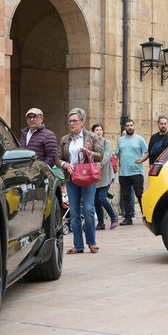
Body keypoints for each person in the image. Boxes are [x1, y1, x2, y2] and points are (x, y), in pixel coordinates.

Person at [57, 107, 102, 254]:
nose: (71, 123)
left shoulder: (91, 137)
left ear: (82, 122)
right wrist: (65, 164)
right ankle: (78, 245)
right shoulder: (64, 139)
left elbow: (100, 155)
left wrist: (89, 153)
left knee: (88, 209)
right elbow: (57, 158)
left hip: (88, 177)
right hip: (71, 178)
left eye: (74, 121)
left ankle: (92, 242)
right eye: (69, 121)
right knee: (75, 212)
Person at [115, 117, 148, 226]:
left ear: (134, 127)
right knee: (126, 196)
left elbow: (147, 152)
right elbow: (117, 154)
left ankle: (146, 217)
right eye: (127, 126)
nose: (129, 127)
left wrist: (142, 159)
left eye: (131, 125)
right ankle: (128, 218)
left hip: (137, 172)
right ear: (125, 127)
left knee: (139, 194)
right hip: (124, 173)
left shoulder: (139, 139)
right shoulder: (120, 140)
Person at [90, 123, 119, 230]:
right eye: (96, 130)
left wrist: (98, 165)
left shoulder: (106, 142)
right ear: (93, 132)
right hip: (94, 176)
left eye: (100, 130)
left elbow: (107, 156)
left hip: (106, 174)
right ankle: (101, 223)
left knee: (101, 198)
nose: (99, 132)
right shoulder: (90, 143)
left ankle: (114, 217)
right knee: (95, 200)